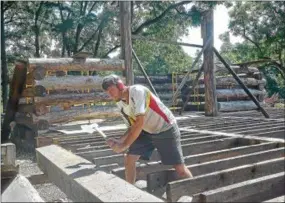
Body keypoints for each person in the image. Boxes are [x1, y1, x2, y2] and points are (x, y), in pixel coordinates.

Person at [101, 74, 193, 184]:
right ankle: (130, 190)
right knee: (129, 159)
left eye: (111, 90)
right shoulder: (120, 103)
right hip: (147, 130)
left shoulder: (138, 91)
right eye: (108, 92)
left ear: (120, 86)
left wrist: (124, 145)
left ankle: (194, 190)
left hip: (166, 129)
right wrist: (120, 140)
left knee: (180, 169)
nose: (110, 95)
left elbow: (139, 123)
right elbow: (133, 126)